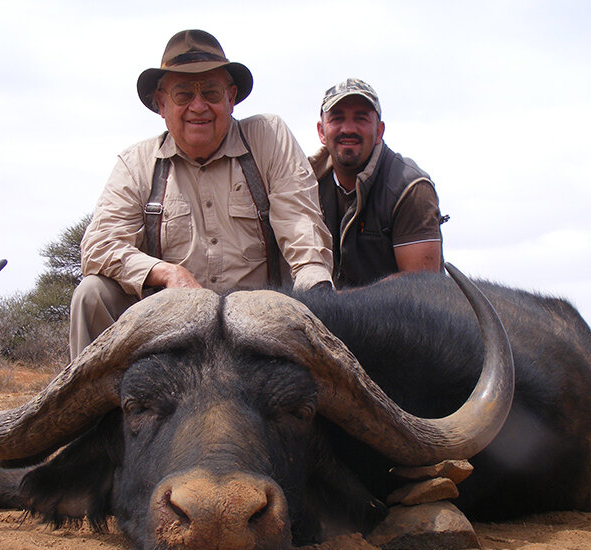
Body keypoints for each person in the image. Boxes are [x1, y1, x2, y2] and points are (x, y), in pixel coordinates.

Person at [69, 29, 333, 359]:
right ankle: (91, 411)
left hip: (260, 330)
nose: (198, 106)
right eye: (183, 95)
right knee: (91, 294)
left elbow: (301, 227)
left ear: (231, 98)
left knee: (323, 302)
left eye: (210, 92)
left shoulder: (268, 137)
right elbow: (99, 246)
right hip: (170, 331)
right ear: (161, 104)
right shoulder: (136, 162)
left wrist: (317, 291)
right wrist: (168, 274)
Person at [311, 78, 445, 289]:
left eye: (361, 118)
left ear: (379, 132)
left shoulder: (410, 187)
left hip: (402, 317)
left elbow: (422, 287)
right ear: (321, 132)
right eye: (337, 118)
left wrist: (335, 305)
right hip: (324, 314)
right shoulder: (303, 185)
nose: (348, 128)